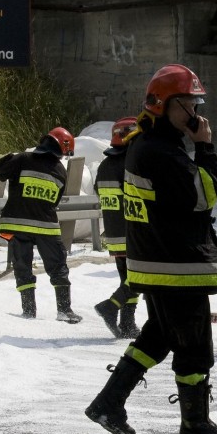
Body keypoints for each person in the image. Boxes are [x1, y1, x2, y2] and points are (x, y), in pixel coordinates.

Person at [85, 64, 217, 434]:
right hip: (176, 266)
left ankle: (109, 402)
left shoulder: (147, 145)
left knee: (159, 335)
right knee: (195, 348)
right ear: (165, 105)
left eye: (195, 104)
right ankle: (196, 427)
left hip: (159, 263)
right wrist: (205, 148)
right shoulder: (162, 152)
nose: (195, 114)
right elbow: (204, 197)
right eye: (187, 104)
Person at [0, 127, 82, 323]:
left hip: (17, 225)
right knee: (58, 267)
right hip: (46, 227)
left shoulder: (23, 159)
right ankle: (65, 310)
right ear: (61, 150)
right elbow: (55, 201)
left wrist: (5, 158)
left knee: (22, 267)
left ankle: (28, 311)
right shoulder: (60, 171)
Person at [93, 116, 142, 338]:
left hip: (114, 234)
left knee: (128, 279)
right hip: (134, 232)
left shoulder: (105, 166)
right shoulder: (130, 164)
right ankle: (111, 306)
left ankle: (128, 324)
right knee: (140, 278)